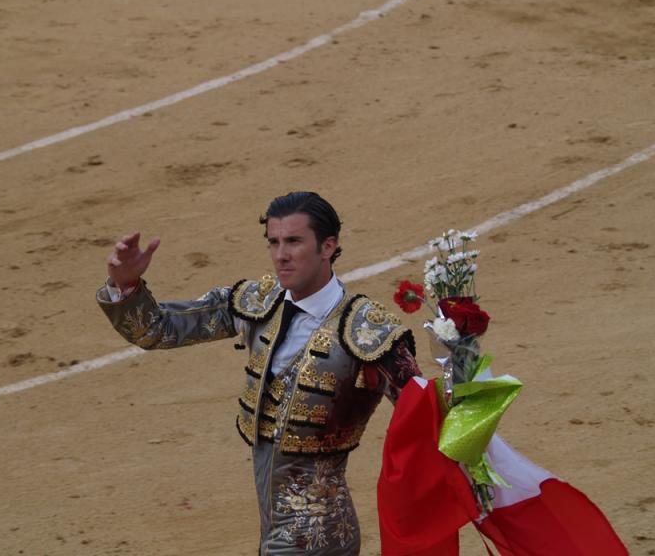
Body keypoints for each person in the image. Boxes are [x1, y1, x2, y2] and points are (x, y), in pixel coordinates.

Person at [96, 191, 421, 556]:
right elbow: (157, 329)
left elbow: (427, 415)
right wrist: (126, 286)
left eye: (294, 241)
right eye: (274, 242)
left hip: (319, 537)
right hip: (274, 529)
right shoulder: (258, 301)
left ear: (328, 246)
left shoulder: (368, 331)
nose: (281, 255)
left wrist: (460, 351)